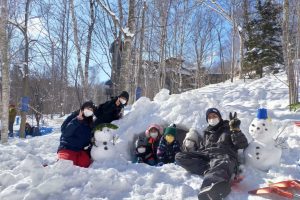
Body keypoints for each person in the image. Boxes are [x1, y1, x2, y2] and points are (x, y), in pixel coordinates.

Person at [175, 108, 248, 200]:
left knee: (222, 162)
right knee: (179, 156)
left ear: (219, 117)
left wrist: (236, 130)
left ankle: (210, 187)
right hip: (207, 156)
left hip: (223, 155)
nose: (212, 119)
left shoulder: (229, 128)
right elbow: (202, 149)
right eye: (209, 117)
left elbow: (242, 144)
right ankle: (212, 170)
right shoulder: (206, 133)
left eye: (214, 116)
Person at [57, 101, 96, 168]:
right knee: (66, 165)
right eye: (88, 108)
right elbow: (65, 133)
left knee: (85, 164)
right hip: (67, 148)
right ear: (83, 108)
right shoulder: (73, 117)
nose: (89, 111)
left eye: (91, 110)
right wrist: (77, 120)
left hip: (79, 151)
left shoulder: (89, 123)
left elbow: (87, 139)